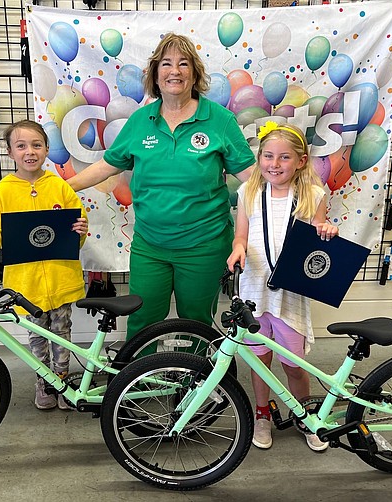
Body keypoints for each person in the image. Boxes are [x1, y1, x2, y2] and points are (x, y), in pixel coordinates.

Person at [67, 33, 255, 341]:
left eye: (183, 64)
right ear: (155, 74)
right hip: (150, 247)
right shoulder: (142, 120)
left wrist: (298, 194)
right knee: (142, 319)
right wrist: (61, 188)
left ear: (195, 73)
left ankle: (191, 385)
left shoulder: (219, 120)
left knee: (196, 322)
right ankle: (138, 386)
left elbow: (252, 174)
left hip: (204, 246)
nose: (175, 71)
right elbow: (108, 164)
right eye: (166, 64)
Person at [0, 119, 88, 411]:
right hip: (26, 284)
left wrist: (80, 229)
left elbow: (78, 227)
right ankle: (44, 381)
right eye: (21, 146)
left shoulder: (59, 187)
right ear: (10, 152)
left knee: (62, 332)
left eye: (37, 145)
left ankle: (62, 382)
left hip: (61, 277)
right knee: (38, 336)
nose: (30, 152)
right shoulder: (3, 191)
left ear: (47, 149)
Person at [226, 121, 339, 452]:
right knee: (260, 359)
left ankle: (304, 415)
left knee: (293, 363)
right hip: (254, 288)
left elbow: (318, 231)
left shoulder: (313, 194)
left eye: (284, 157)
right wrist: (237, 248)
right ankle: (263, 413)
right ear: (259, 157)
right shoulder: (248, 192)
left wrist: (326, 229)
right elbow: (241, 234)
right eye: (268, 156)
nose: (274, 164)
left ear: (301, 161)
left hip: (291, 292)